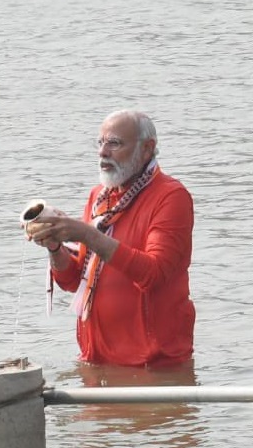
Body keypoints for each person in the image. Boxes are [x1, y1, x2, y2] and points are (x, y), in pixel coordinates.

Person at [24, 110, 195, 367]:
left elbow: (154, 273)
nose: (103, 152)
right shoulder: (99, 198)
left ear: (147, 149)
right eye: (100, 143)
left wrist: (86, 234)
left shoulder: (171, 197)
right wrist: (54, 245)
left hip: (153, 367)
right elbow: (74, 280)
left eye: (114, 143)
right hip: (95, 361)